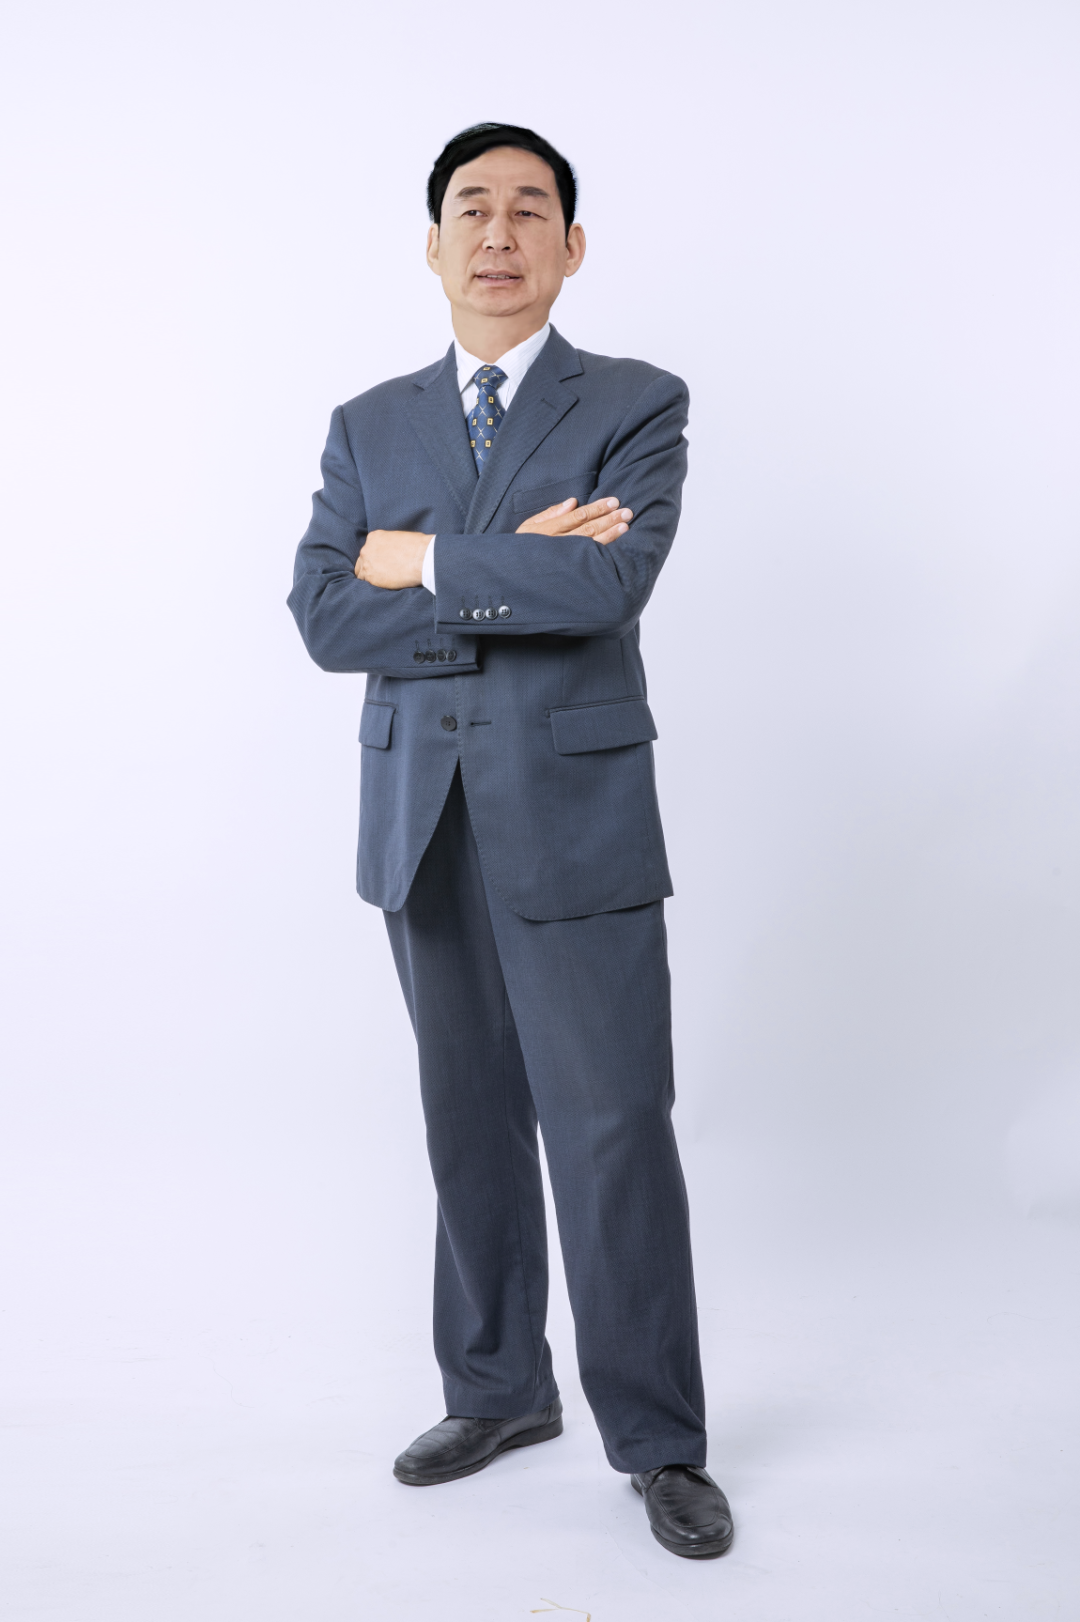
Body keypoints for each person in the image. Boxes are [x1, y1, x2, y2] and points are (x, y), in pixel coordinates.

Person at [287, 123, 732, 1561]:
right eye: (471, 209)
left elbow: (608, 583)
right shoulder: (368, 422)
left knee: (612, 1130)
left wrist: (419, 559)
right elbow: (323, 616)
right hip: (423, 820)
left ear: (570, 246)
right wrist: (510, 571)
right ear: (432, 246)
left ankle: (658, 1437)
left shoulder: (636, 401)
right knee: (467, 1120)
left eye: (529, 209)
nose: (498, 232)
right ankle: (496, 1390)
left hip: (577, 818)